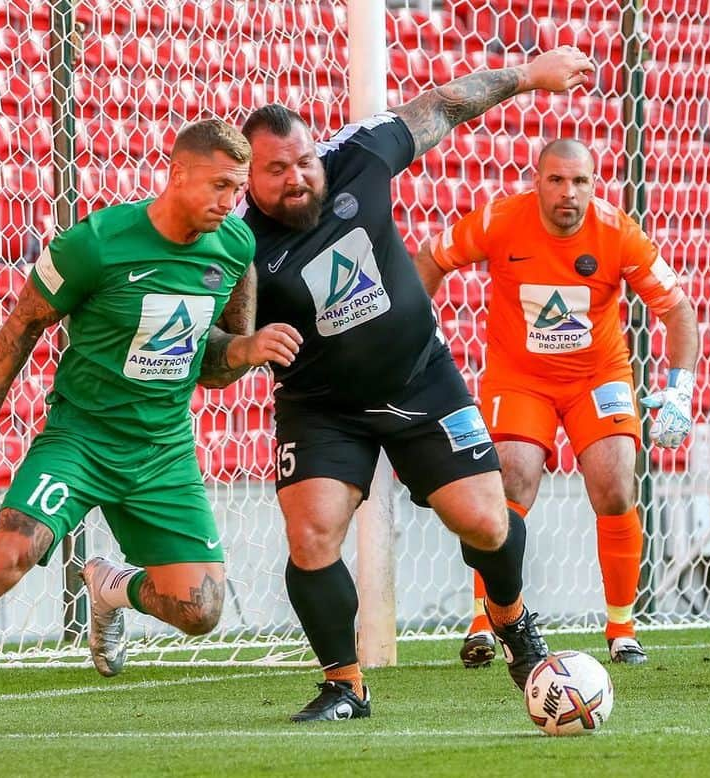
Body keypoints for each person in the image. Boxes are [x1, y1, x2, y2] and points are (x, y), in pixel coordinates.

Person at [0, 119, 303, 744]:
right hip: (81, 440)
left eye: (238, 190)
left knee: (200, 611)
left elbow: (213, 369)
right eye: (220, 186)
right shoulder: (93, 244)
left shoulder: (234, 248)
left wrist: (247, 348)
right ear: (177, 173)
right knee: (11, 555)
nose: (230, 203)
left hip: (162, 451)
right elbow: (22, 323)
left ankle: (112, 587)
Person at [238, 47, 595, 722]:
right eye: (276, 169)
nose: (296, 178)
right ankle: (345, 685)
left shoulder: (363, 156)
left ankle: (514, 623)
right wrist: (246, 346)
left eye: (303, 161)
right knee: (312, 534)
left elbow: (446, 103)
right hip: (322, 408)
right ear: (246, 178)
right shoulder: (234, 245)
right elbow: (214, 355)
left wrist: (527, 76)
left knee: (488, 522)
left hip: (420, 380)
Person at [414, 138, 700, 667]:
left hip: (598, 376)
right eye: (557, 180)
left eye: (581, 181)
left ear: (594, 184)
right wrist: (417, 334)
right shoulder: (501, 220)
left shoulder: (618, 233)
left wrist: (680, 388)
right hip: (519, 377)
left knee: (615, 483)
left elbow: (678, 311)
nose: (569, 193)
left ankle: (621, 627)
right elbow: (431, 256)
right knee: (511, 481)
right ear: (537, 180)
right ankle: (488, 618)